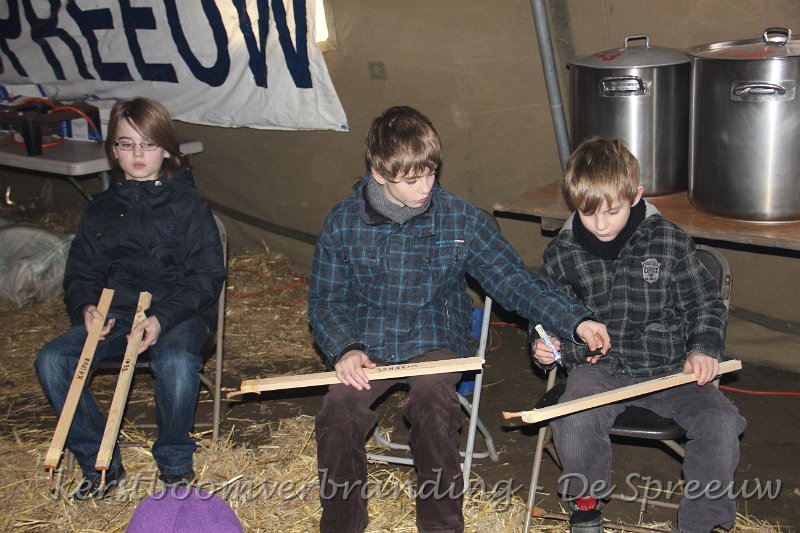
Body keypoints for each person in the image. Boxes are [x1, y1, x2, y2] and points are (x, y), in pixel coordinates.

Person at [308, 105, 612, 533]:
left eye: (430, 174)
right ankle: (341, 526)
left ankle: (442, 526)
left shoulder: (460, 219)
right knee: (338, 414)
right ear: (379, 172)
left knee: (435, 405)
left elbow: (514, 282)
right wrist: (344, 347)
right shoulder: (343, 222)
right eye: (411, 180)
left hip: (433, 336)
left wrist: (575, 320)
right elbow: (325, 299)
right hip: (366, 342)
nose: (425, 188)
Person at [531, 136, 747, 533]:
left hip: (669, 368)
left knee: (720, 423)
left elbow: (705, 305)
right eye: (587, 212)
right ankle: (586, 508)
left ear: (635, 196)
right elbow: (547, 313)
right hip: (601, 369)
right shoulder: (562, 254)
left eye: (611, 211)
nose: (599, 224)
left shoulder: (667, 241)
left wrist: (703, 349)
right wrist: (546, 345)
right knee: (574, 416)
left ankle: (700, 524)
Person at [35, 97, 226, 499]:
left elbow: (206, 279)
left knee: (176, 360)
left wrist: (160, 319)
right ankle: (99, 464)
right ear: (112, 150)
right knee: (52, 360)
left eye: (148, 144)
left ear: (168, 149)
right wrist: (85, 306)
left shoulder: (190, 207)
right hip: (116, 313)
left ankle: (174, 464)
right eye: (126, 144)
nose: (138, 154)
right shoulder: (99, 211)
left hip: (177, 314)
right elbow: (81, 274)